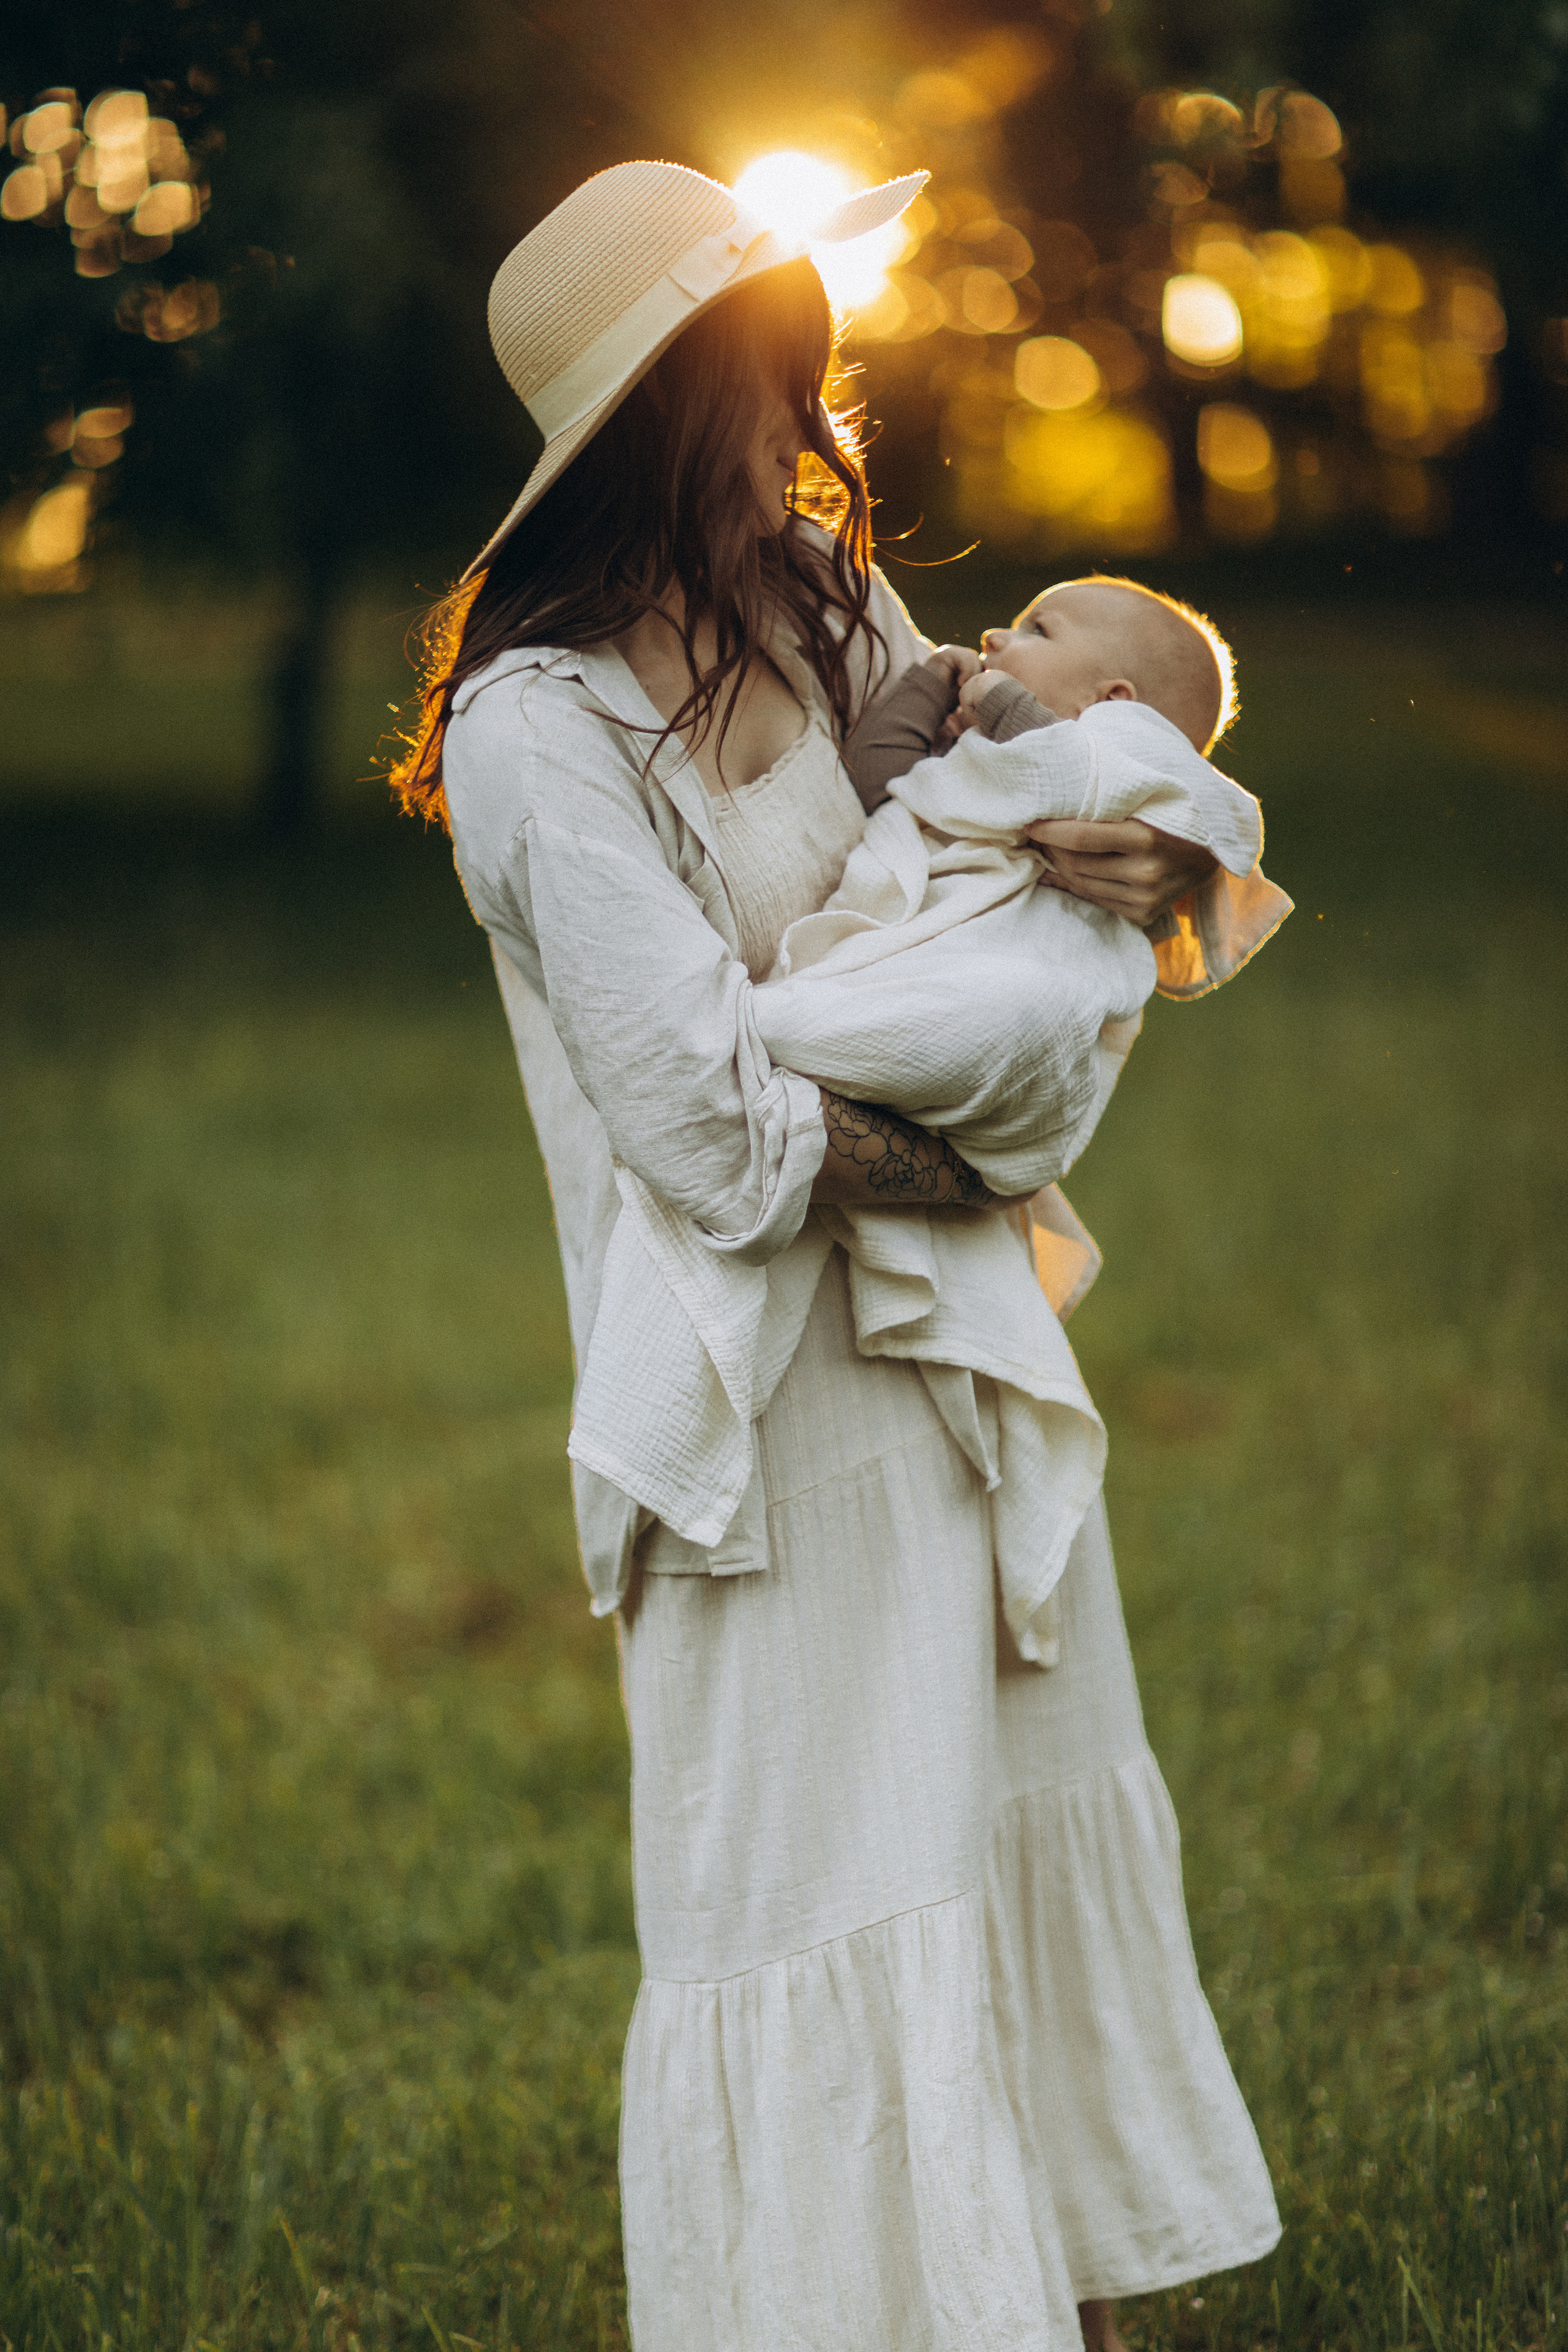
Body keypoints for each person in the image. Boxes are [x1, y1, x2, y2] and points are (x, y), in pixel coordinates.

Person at [392, 158, 1284, 2352]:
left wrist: (1118, 872)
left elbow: (1015, 896)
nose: (809, 405)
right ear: (669, 404)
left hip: (946, 1356)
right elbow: (701, 1133)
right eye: (764, 360)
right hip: (748, 1410)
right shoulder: (538, 733)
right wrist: (953, 1144)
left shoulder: (821, 600)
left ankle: (1023, 2304)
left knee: (976, 1852)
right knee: (813, 1893)